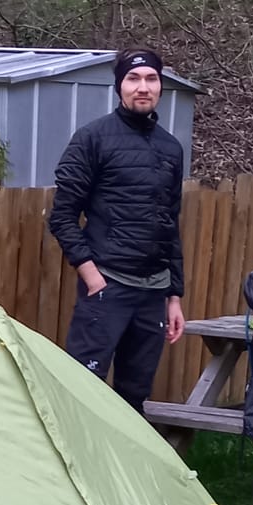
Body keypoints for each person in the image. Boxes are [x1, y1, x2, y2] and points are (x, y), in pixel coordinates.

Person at [48, 49, 187, 409]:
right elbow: (62, 217)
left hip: (153, 293)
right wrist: (93, 277)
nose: (143, 87)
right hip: (108, 287)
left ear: (160, 87)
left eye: (151, 79)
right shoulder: (92, 139)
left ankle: (125, 467)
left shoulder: (170, 149)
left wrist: (174, 296)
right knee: (82, 392)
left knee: (134, 397)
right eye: (133, 79)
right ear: (119, 86)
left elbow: (170, 224)